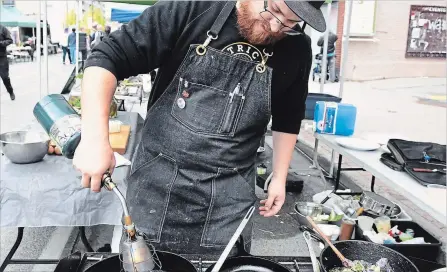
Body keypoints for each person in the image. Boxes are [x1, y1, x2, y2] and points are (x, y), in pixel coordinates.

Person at [74, 0, 326, 256]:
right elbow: (106, 57)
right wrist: (94, 139)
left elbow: (288, 117)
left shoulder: (297, 47)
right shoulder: (192, 9)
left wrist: (280, 177)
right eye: (274, 10)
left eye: (290, 23)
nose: (275, 26)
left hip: (229, 201)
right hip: (156, 190)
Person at [0, 24, 15, 100]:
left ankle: (10, 91)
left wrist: (1, 43)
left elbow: (10, 40)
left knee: (5, 77)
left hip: (2, 57)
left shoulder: (2, 28)